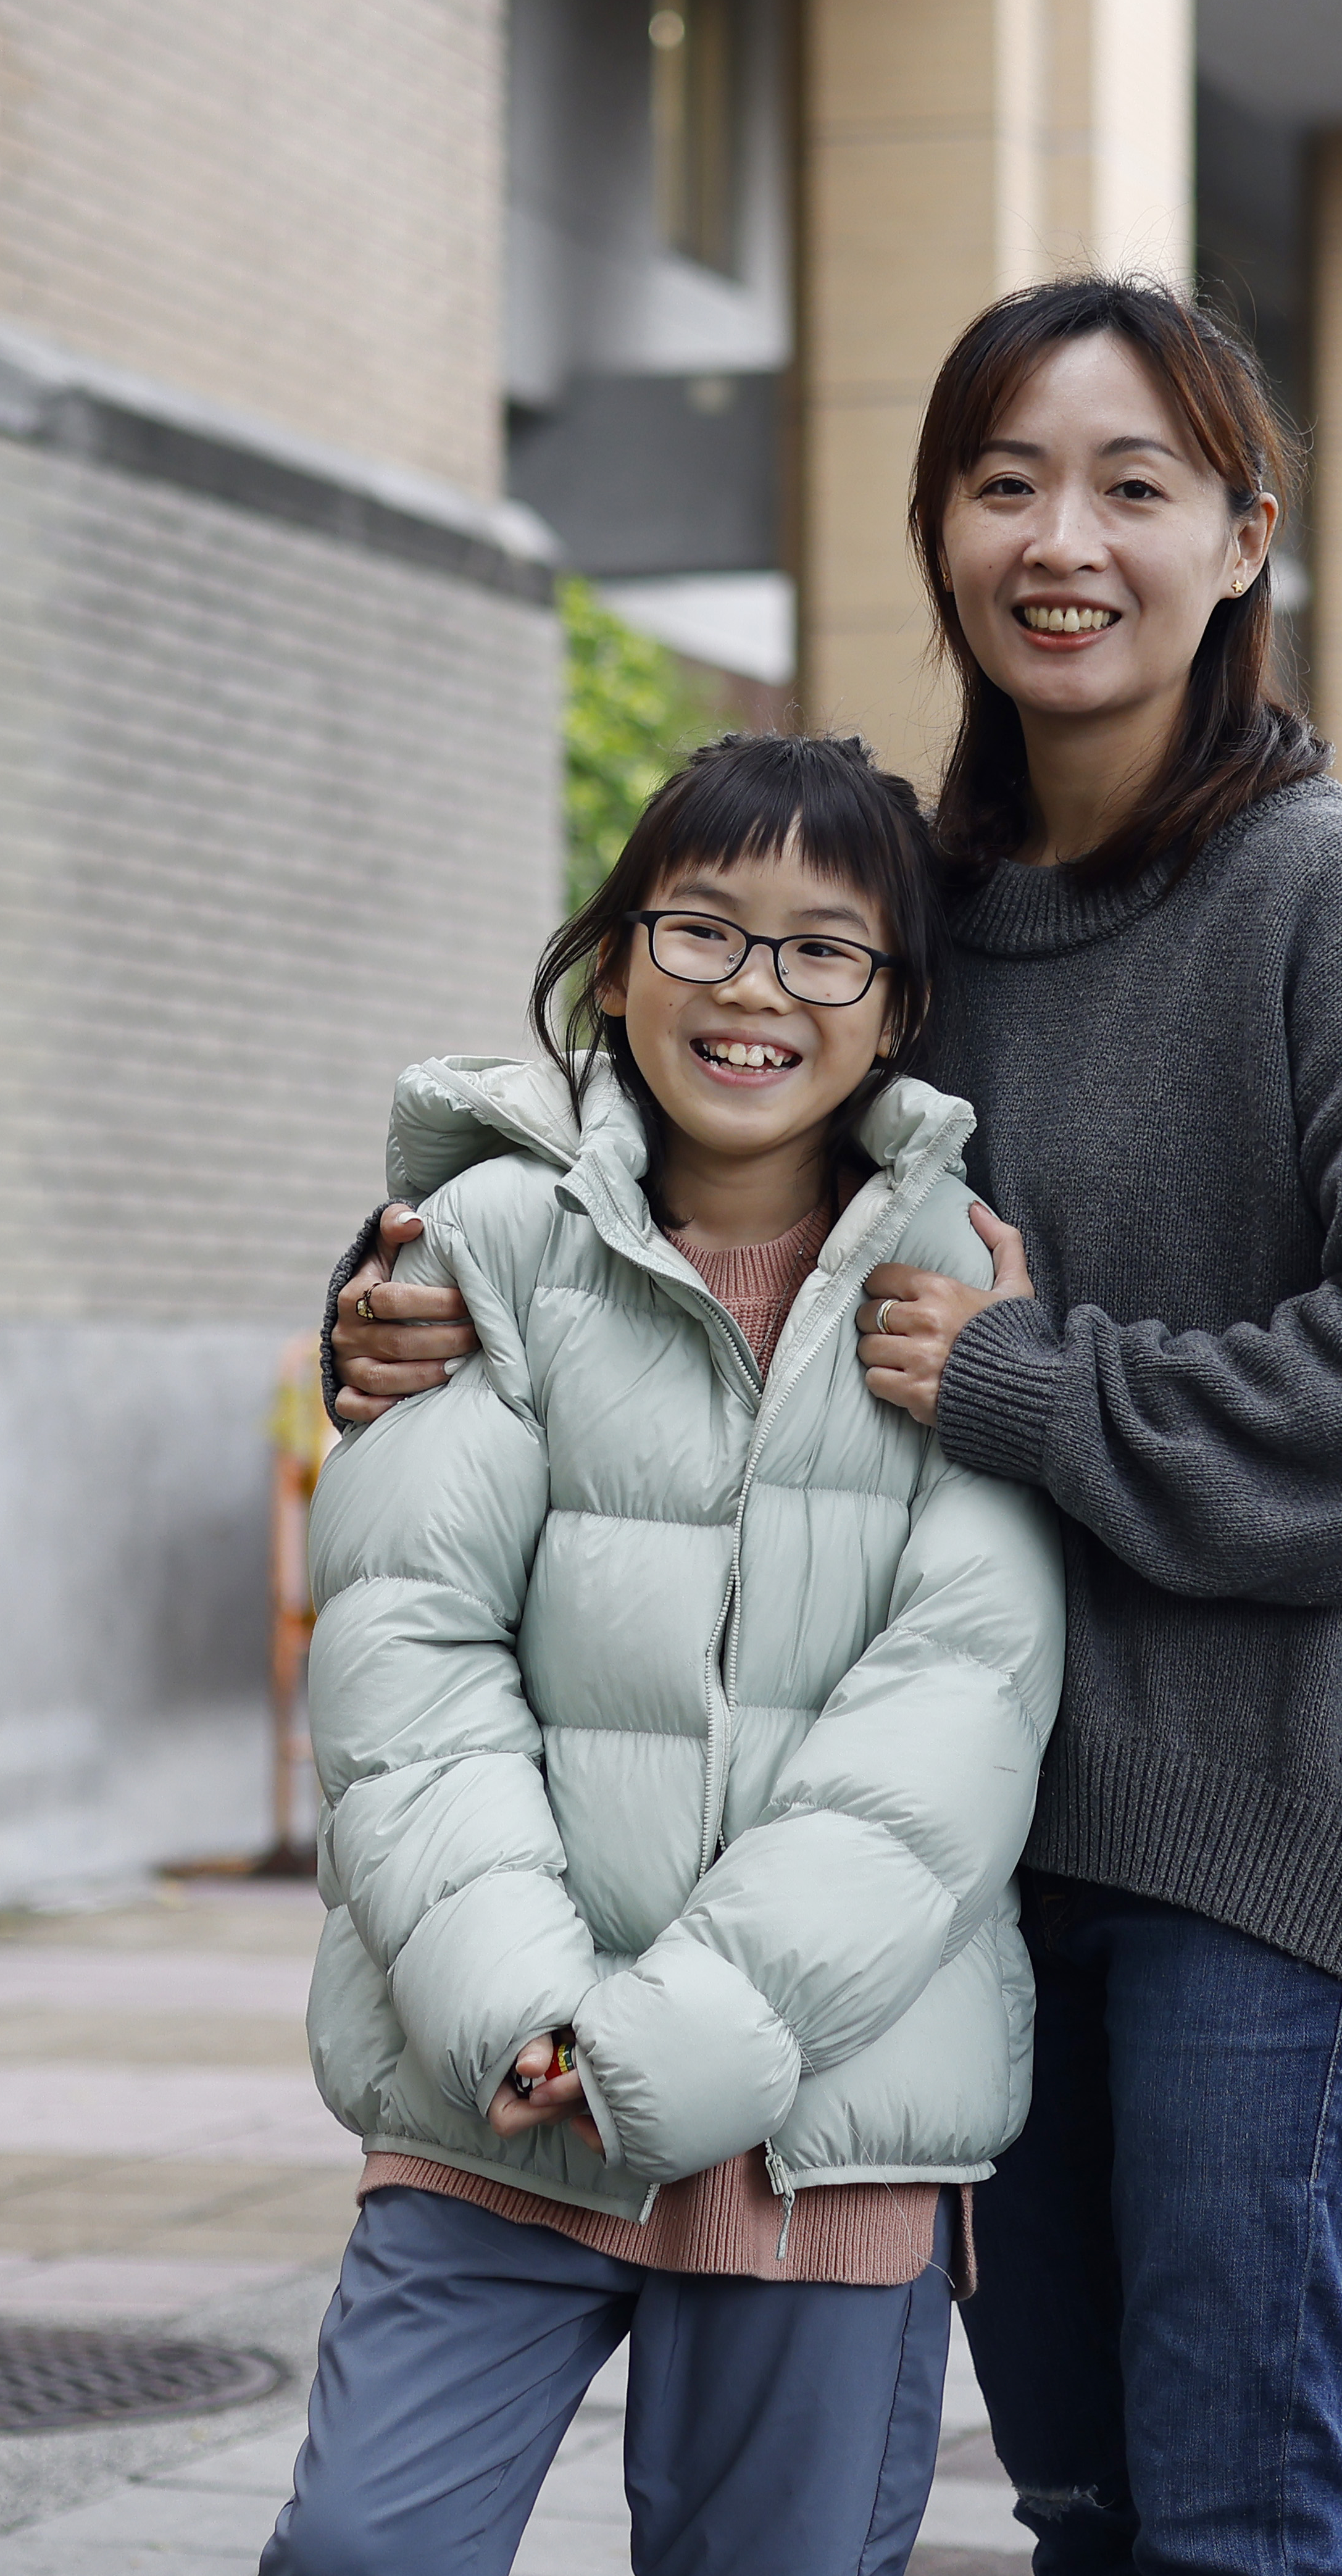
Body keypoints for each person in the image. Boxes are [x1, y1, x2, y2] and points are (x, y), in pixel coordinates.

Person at [331, 275, 1342, 2576]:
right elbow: (658, 1139)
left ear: (1242, 542)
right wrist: (404, 1292)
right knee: (1087, 2504)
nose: (1062, 540)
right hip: (975, 1863)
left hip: (1274, 1851)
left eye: (1135, 487)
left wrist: (1034, 1385)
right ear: (937, 532)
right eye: (1005, 483)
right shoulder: (928, 907)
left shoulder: (1328, 902)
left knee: (1225, 2511)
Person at [267, 729, 1064, 2576]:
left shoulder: (969, 1296)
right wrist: (526, 2004)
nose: (755, 992)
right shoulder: (482, 1250)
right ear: (614, 962)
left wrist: (691, 2038)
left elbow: (954, 1722)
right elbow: (409, 1658)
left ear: (897, 1006)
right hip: (497, 2085)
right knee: (362, 2553)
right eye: (701, 932)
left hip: (826, 2114)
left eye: (821, 949)